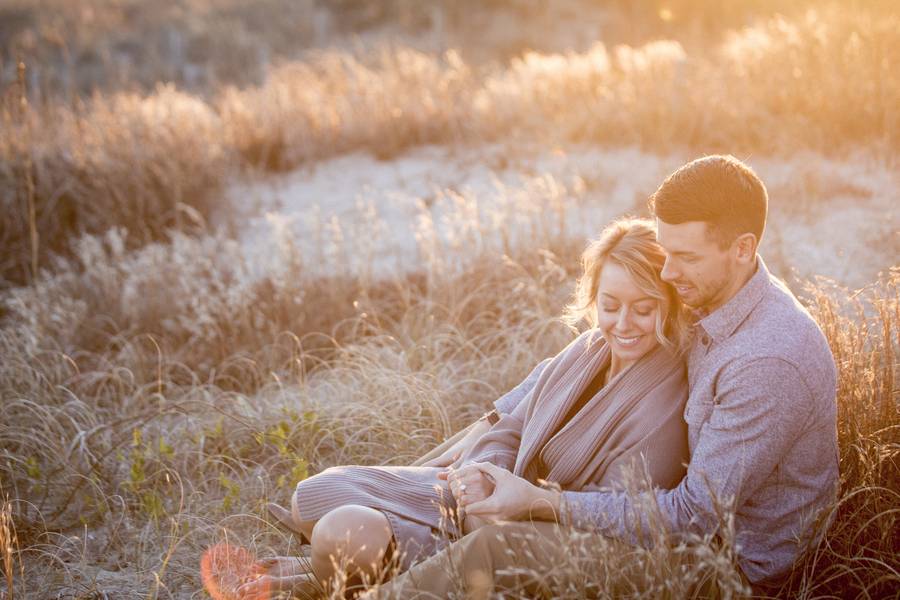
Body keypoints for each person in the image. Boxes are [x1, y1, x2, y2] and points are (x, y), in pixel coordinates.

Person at [369, 155, 839, 598]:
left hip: (723, 573)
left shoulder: (767, 360)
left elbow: (694, 517)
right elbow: (590, 351)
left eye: (686, 257)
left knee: (496, 550)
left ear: (742, 249)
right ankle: (328, 572)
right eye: (666, 253)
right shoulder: (711, 297)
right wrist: (497, 418)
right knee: (479, 519)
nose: (669, 272)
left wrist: (543, 502)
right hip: (676, 536)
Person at [238, 218, 694, 597]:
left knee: (342, 532)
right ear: (594, 299)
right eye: (611, 305)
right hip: (482, 502)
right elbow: (512, 425)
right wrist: (484, 471)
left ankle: (334, 579)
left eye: (644, 308)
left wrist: (517, 500)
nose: (624, 324)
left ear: (669, 306)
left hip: (534, 527)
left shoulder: (664, 396)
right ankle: (345, 568)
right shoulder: (586, 352)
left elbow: (617, 510)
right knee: (318, 495)